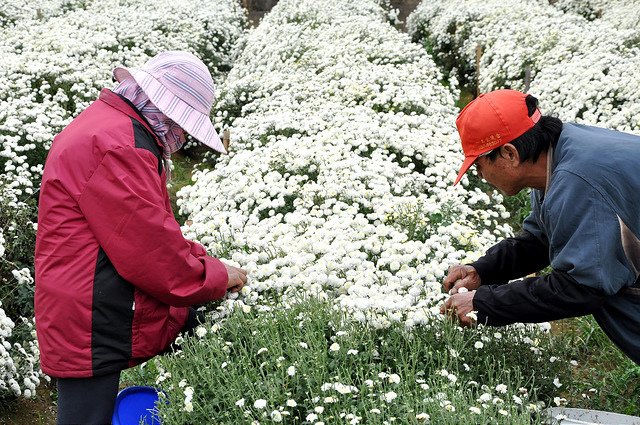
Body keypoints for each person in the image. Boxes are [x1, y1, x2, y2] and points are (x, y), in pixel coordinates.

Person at [34, 51, 248, 424]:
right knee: (86, 417)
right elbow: (151, 253)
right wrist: (215, 275)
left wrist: (203, 263)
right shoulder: (118, 144)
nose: (180, 135)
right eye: (181, 123)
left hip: (86, 295)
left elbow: (149, 227)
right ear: (161, 107)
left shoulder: (115, 126)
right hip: (86, 312)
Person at [440, 89, 640, 365]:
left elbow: (582, 287)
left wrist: (482, 304)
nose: (481, 176)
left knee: (610, 290)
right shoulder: (556, 154)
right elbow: (542, 239)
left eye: (479, 165)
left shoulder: (576, 179)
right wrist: (483, 271)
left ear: (509, 153)